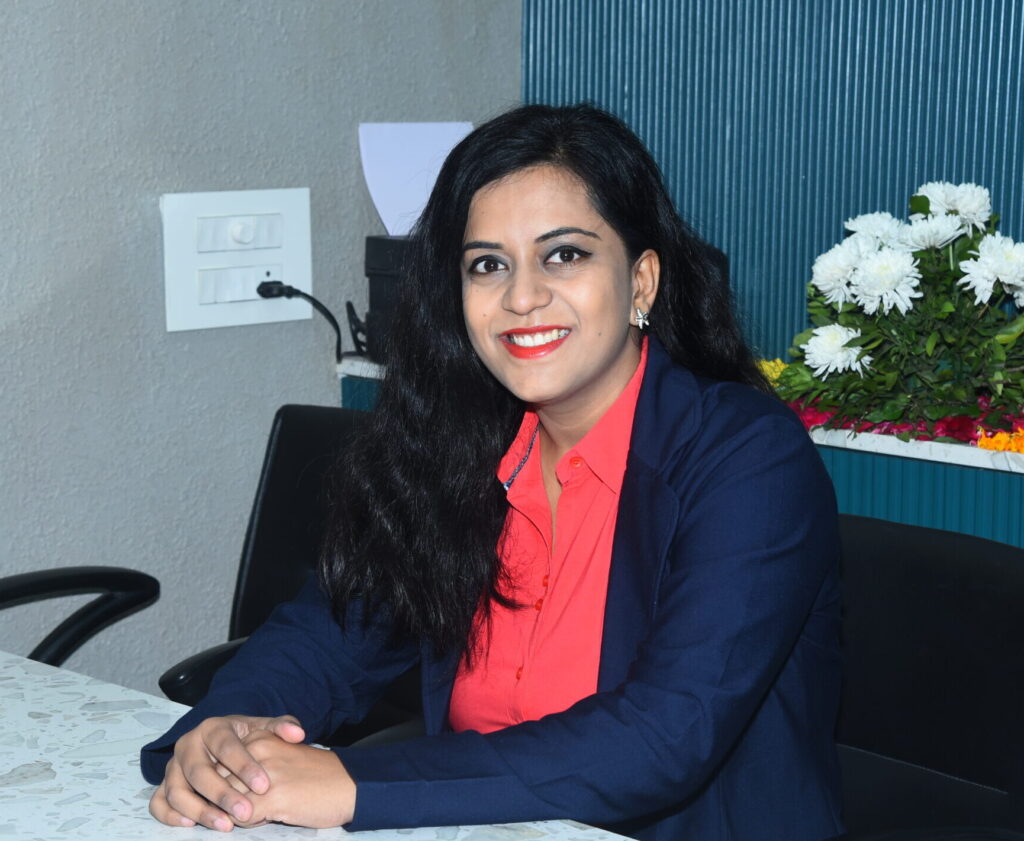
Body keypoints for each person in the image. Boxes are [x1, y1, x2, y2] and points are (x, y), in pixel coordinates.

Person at [143, 103, 843, 841]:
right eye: (488, 264)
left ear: (641, 282)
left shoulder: (748, 458)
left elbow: (663, 737)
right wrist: (225, 736)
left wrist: (353, 782)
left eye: (564, 254)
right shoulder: (458, 445)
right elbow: (330, 633)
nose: (521, 296)